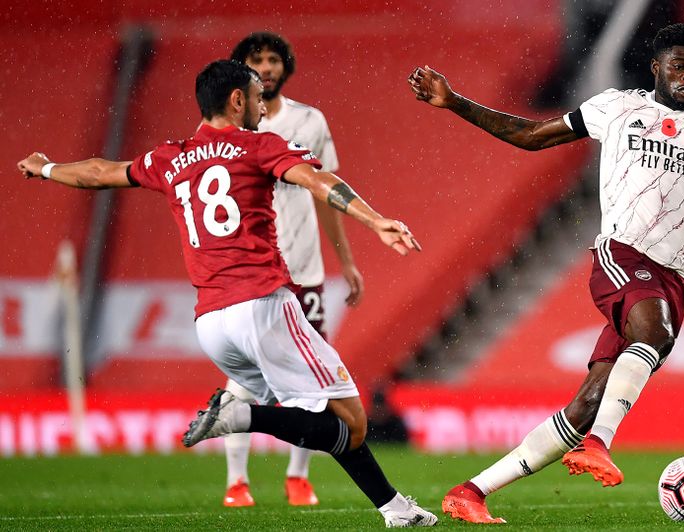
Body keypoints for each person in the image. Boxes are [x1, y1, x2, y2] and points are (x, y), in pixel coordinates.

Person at [408, 22, 684, 524]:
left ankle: (471, 491)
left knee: (588, 403)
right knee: (653, 335)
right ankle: (601, 443)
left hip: (673, 277)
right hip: (622, 255)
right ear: (656, 68)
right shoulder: (618, 107)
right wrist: (455, 102)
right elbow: (532, 136)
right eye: (679, 65)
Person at [18, 59, 437, 528]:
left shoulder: (168, 158)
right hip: (263, 307)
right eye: (258, 97)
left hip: (211, 324)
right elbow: (319, 181)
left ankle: (395, 510)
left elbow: (100, 172)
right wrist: (375, 219)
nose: (262, 106)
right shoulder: (257, 146)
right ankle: (241, 418)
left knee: (325, 421)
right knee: (353, 422)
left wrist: (47, 167)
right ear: (237, 100)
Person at [217, 31, 362, 509]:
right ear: (239, 68)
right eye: (255, 59)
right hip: (252, 273)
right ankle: (236, 482)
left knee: (316, 382)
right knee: (244, 376)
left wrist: (346, 261)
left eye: (273, 59)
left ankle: (297, 476)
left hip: (304, 271)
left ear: (286, 65)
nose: (266, 67)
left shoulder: (309, 120)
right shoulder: (230, 131)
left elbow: (326, 191)